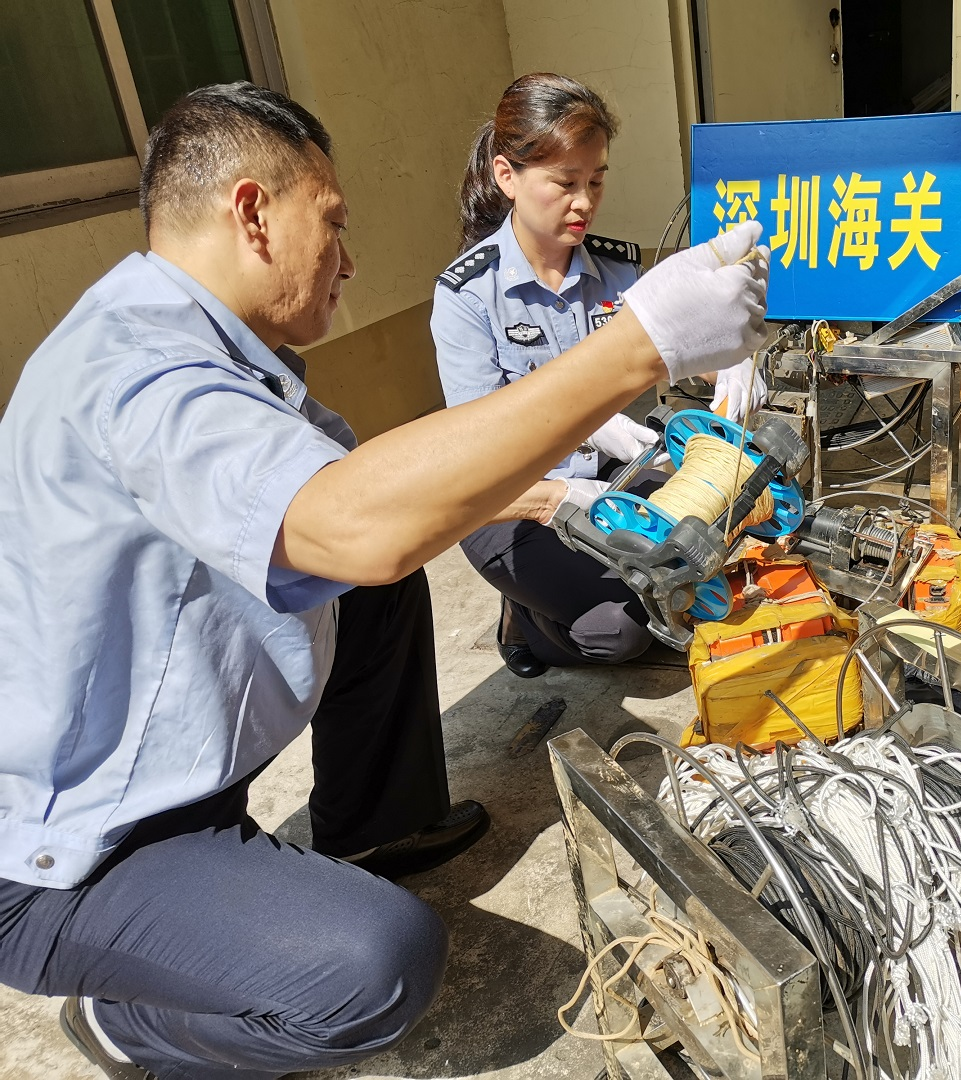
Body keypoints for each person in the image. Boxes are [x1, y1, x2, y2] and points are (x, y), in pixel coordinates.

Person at [0, 82, 768, 1080]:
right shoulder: (142, 371)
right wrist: (639, 347)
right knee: (378, 967)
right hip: (73, 850)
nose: (350, 259)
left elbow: (377, 485)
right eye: (333, 224)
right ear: (251, 213)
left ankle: (375, 825)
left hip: (162, 774)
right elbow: (360, 524)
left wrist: (580, 488)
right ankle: (127, 1024)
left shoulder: (215, 349)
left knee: (375, 582)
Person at [431, 73, 768, 679]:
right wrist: (580, 435)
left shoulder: (617, 271)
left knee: (707, 554)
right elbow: (477, 455)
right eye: (565, 183)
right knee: (621, 628)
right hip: (512, 501)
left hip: (614, 478)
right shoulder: (468, 294)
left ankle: (568, 589)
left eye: (596, 180)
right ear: (507, 176)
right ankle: (524, 620)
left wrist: (732, 354)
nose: (584, 202)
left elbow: (686, 331)